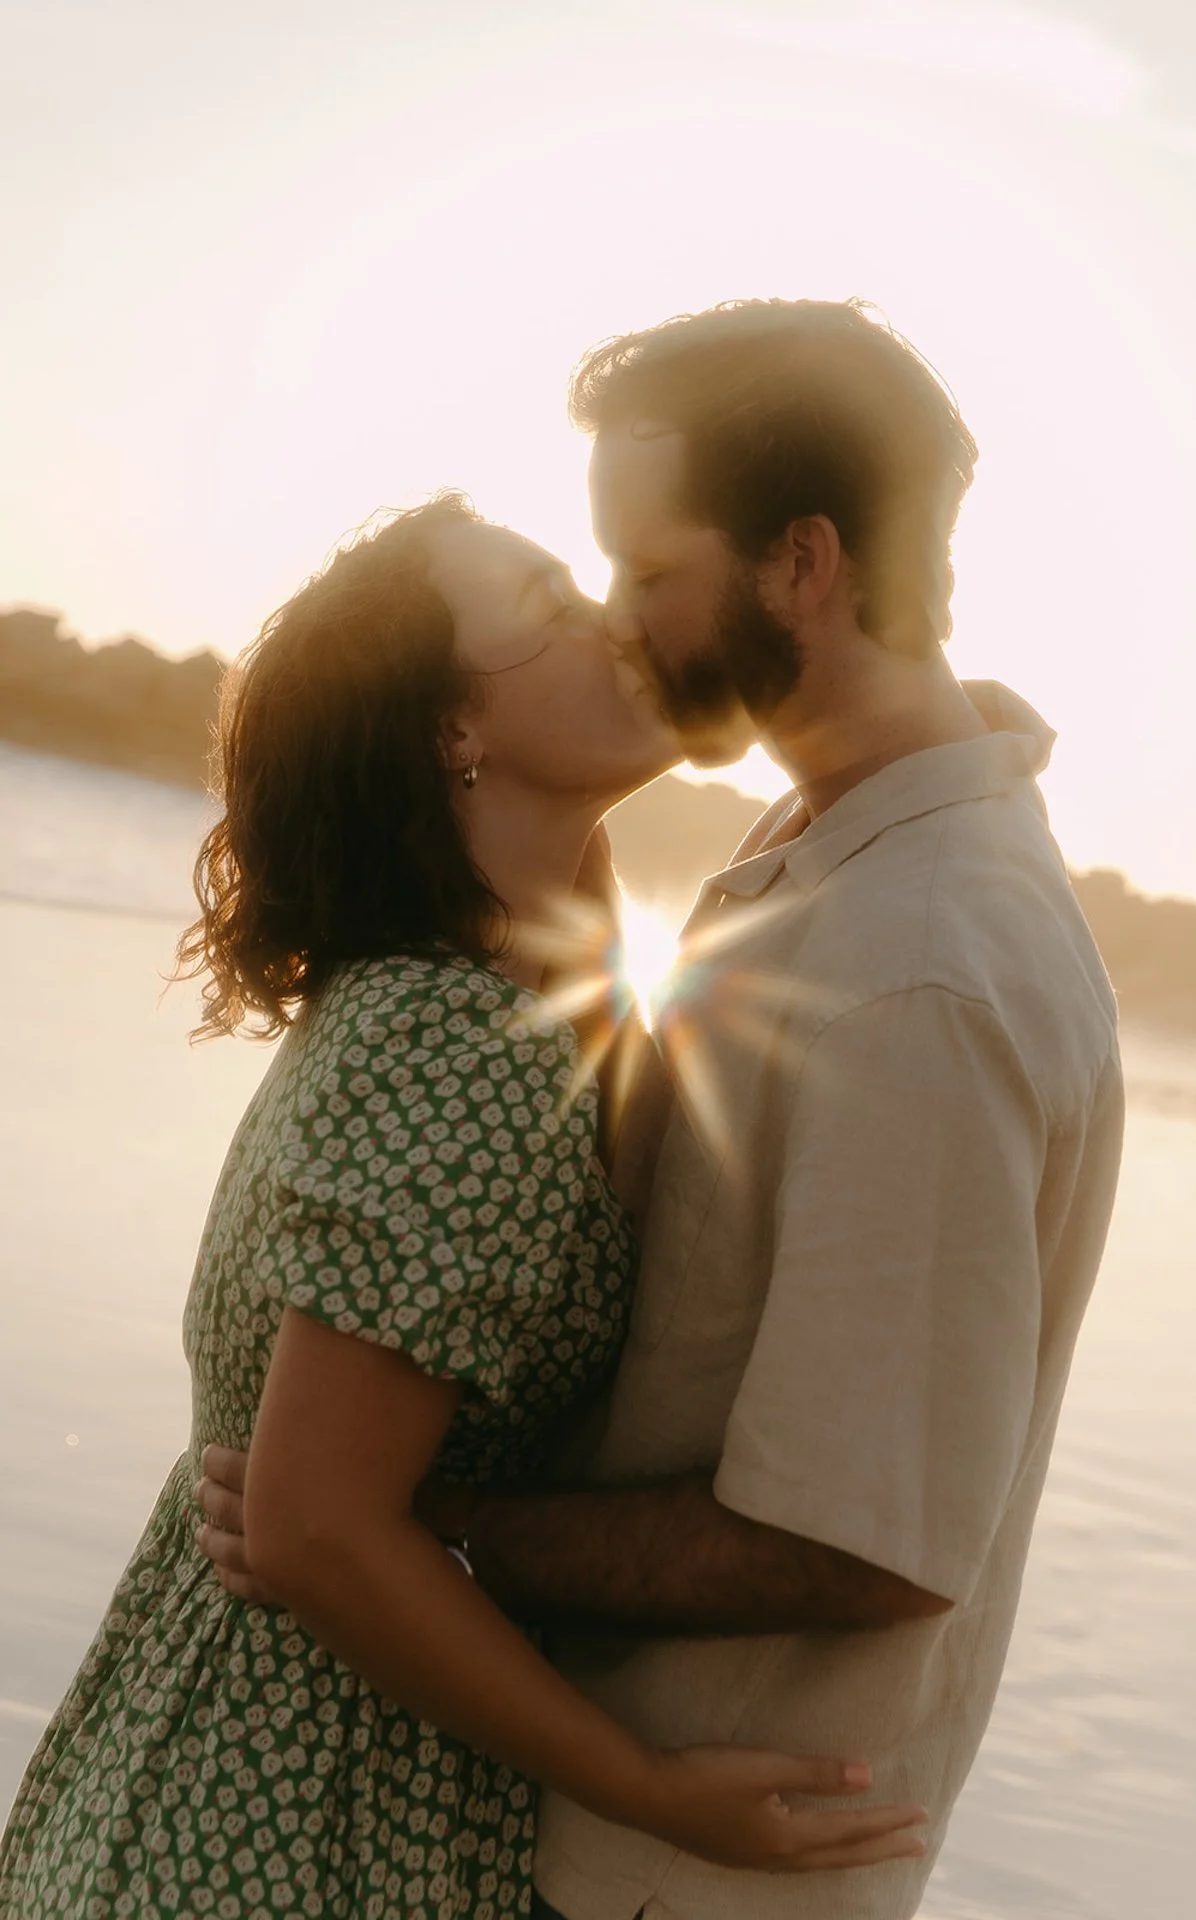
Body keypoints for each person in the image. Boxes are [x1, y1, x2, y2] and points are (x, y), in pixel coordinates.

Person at [199, 299, 1125, 1920]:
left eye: (645, 574)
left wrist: (421, 1519)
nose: (622, 623)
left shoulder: (919, 972)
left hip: (692, 1865)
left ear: (801, 566)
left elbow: (855, 1542)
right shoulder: (823, 848)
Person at [0, 492, 929, 1920]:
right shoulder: (454, 1043)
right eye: (552, 608)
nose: (616, 619)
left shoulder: (450, 1008)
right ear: (450, 730)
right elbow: (317, 1526)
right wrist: (654, 1792)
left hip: (224, 1778)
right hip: (295, 1824)